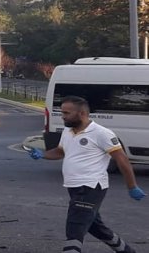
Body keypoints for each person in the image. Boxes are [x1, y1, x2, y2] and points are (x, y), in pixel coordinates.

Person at [28, 95, 145, 253]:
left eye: (66, 113)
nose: (62, 116)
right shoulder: (68, 131)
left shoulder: (101, 133)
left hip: (91, 186)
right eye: (62, 112)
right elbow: (60, 151)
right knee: (95, 227)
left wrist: (132, 186)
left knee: (75, 227)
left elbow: (122, 160)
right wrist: (42, 154)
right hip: (73, 186)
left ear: (82, 113)